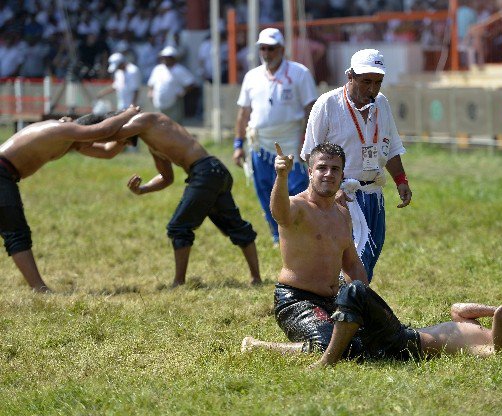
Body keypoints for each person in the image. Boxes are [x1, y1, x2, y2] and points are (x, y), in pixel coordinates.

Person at [241, 142, 502, 367]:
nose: (328, 174)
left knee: (355, 342)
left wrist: (358, 295)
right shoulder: (296, 206)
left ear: (342, 174)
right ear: (310, 171)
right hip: (297, 299)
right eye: (321, 168)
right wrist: (281, 177)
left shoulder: (341, 213)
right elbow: (278, 212)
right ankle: (268, 348)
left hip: (334, 300)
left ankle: (317, 346)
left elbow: (351, 262)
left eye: (335, 169)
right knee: (335, 342)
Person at [96, 111, 261, 287]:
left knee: (178, 227)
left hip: (206, 172)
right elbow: (166, 177)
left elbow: (109, 132)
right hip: (214, 172)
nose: (121, 143)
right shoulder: (153, 144)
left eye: (123, 141)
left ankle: (178, 283)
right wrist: (142, 190)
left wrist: (77, 133)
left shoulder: (145, 119)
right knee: (235, 226)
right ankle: (256, 278)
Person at [0, 106, 140, 292]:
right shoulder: (62, 130)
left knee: (15, 231)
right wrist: (128, 114)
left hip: (5, 174)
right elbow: (103, 131)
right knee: (16, 233)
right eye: (90, 141)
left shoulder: (70, 140)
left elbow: (107, 152)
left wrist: (124, 139)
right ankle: (40, 289)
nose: (90, 147)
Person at [301, 48, 412, 281]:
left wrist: (401, 180)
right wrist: (329, 193)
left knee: (370, 255)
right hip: (342, 196)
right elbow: (311, 155)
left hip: (374, 194)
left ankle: (354, 308)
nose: (372, 89)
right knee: (349, 260)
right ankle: (342, 309)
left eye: (378, 82)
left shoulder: (381, 104)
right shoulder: (327, 104)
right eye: (366, 81)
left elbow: (390, 147)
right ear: (350, 75)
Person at [233, 28, 318, 246]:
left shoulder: (300, 73)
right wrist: (238, 144)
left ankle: (301, 231)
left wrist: (309, 141)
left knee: (297, 188)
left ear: (281, 49)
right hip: (260, 143)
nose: (266, 53)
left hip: (291, 141)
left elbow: (311, 108)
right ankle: (277, 235)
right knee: (264, 189)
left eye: (271, 48)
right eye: (262, 48)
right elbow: (243, 113)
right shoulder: (251, 76)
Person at [147, 46, 195, 123]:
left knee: (174, 125)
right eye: (164, 57)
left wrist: (182, 92)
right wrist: (150, 92)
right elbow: (151, 83)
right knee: (160, 125)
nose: (165, 59)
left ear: (173, 58)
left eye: (168, 57)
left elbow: (191, 83)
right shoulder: (158, 69)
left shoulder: (179, 70)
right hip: (158, 103)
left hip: (174, 104)